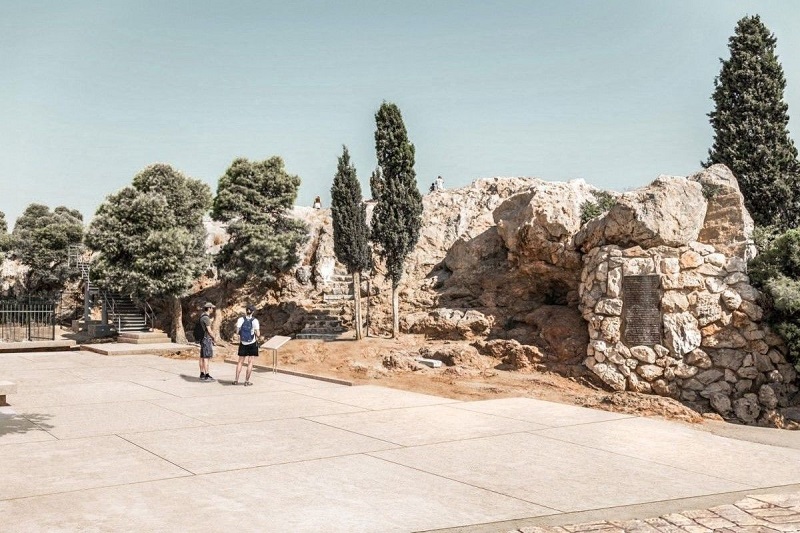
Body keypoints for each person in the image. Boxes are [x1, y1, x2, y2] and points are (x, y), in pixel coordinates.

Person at [234, 305, 260, 386]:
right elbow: (258, 334)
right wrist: (256, 333)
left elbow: (237, 332)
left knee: (240, 362)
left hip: (243, 343)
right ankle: (246, 381)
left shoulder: (240, 319)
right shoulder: (255, 321)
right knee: (250, 362)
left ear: (246, 311)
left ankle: (236, 380)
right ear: (253, 312)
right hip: (252, 343)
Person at [198, 302, 217, 381]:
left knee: (202, 357)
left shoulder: (201, 316)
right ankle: (207, 375)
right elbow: (209, 330)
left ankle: (202, 373)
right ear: (209, 308)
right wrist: (214, 338)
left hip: (202, 339)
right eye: (212, 308)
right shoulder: (206, 318)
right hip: (206, 339)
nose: (212, 309)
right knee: (206, 357)